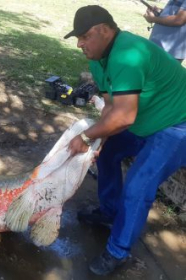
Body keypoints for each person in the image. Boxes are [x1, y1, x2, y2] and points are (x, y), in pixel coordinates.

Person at [64, 5, 186, 276]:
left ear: (104, 31)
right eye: (78, 39)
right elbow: (110, 107)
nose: (80, 44)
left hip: (178, 122)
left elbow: (125, 117)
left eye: (84, 37)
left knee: (137, 185)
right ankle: (109, 212)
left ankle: (118, 251)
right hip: (147, 118)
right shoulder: (98, 60)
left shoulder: (127, 54)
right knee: (107, 154)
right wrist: (99, 140)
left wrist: (86, 136)